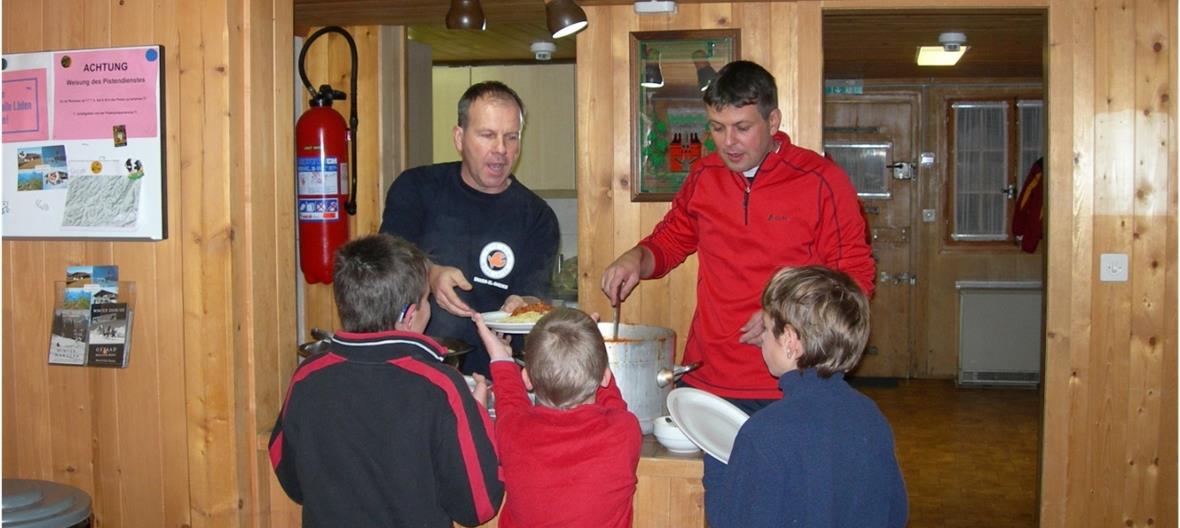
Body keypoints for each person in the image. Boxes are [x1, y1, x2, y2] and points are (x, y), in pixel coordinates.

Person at [599, 59, 875, 519]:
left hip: (790, 387)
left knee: (789, 513)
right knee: (726, 510)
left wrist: (784, 317)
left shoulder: (822, 182)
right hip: (710, 384)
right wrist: (636, 258)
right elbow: (669, 241)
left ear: (773, 121)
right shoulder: (704, 176)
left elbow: (854, 281)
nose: (728, 142)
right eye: (717, 127)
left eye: (742, 128)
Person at [269, 234, 503, 527]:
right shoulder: (441, 386)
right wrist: (479, 417)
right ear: (409, 315)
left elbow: (290, 477)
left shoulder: (307, 376)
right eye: (426, 300)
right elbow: (478, 507)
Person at [380, 81, 560, 378]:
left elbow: (533, 295)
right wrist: (429, 273)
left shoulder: (537, 216)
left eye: (511, 137)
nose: (501, 149)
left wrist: (524, 307)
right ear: (459, 137)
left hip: (493, 377)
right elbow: (385, 265)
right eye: (487, 135)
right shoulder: (416, 188)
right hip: (413, 371)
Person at [711, 265, 906, 527]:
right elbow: (895, 513)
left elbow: (734, 520)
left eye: (766, 329)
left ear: (790, 341)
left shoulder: (764, 432)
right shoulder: (870, 416)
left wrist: (714, 463)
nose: (762, 339)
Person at [470, 308, 642, 528]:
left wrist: (501, 358)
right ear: (605, 376)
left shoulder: (513, 429)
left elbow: (510, 400)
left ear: (526, 379)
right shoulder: (624, 430)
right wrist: (595, 353)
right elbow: (613, 404)